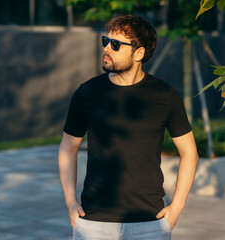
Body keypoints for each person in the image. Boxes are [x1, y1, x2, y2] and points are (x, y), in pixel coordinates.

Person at [58, 15, 199, 240]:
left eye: (115, 44)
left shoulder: (164, 95)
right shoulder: (87, 93)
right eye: (106, 41)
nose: (106, 48)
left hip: (149, 222)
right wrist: (70, 201)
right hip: (94, 222)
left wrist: (177, 207)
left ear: (139, 53)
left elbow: (189, 152)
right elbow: (68, 147)